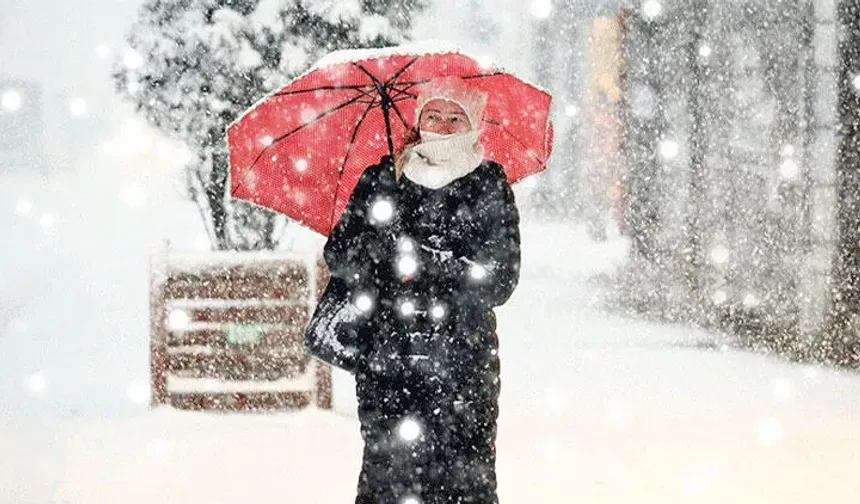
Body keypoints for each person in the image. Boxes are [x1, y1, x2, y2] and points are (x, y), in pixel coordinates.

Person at [322, 76, 521, 504]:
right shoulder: (382, 177)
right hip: (387, 361)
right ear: (417, 118)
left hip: (462, 365)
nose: (442, 125)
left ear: (472, 124)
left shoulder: (488, 183)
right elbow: (339, 255)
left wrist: (431, 261)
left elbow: (502, 279)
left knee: (464, 482)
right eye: (433, 114)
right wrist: (380, 246)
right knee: (388, 481)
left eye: (455, 117)